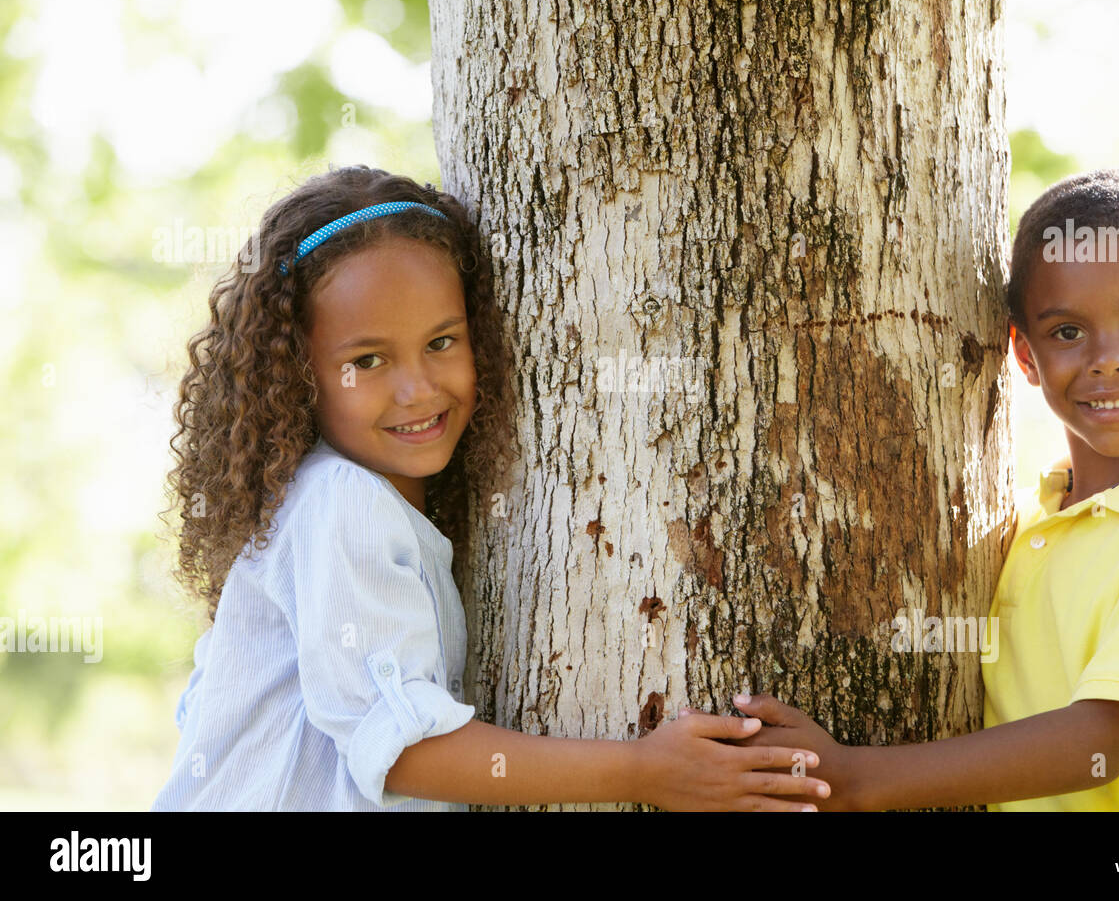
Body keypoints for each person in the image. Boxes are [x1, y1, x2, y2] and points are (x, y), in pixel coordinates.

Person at [152, 165, 829, 811]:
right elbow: (402, 752)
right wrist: (645, 770)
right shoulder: (339, 502)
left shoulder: (359, 508)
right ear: (294, 373)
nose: (418, 388)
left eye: (442, 342)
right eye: (368, 360)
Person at [729, 168, 1119, 810]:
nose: (1108, 358)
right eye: (1067, 332)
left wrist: (852, 777)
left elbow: (1105, 741)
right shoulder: (1030, 523)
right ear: (1025, 358)